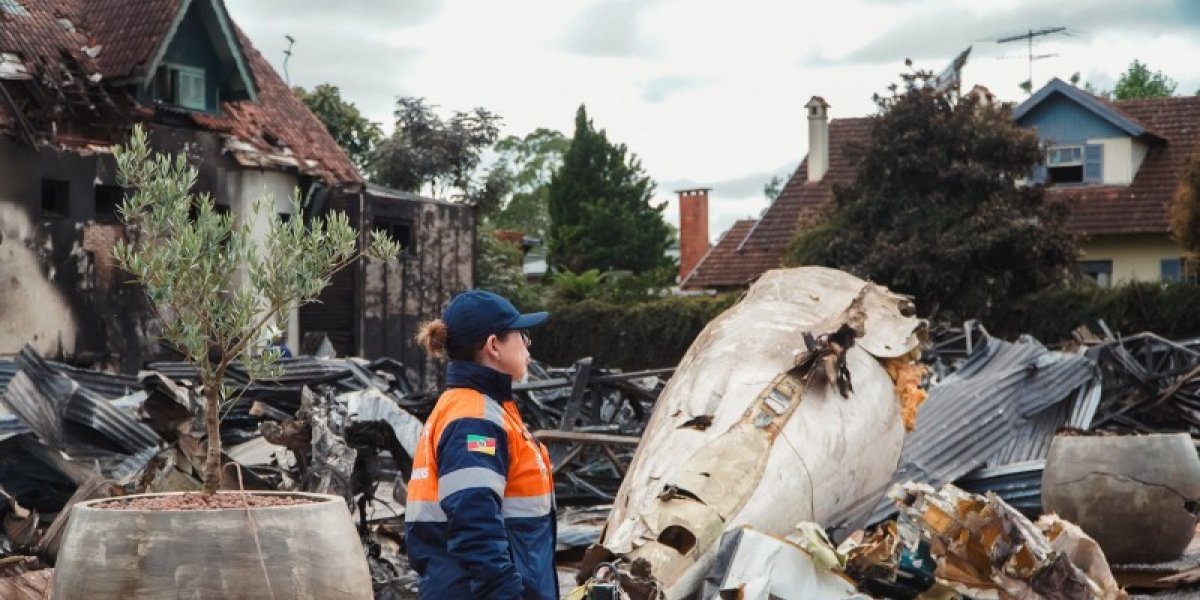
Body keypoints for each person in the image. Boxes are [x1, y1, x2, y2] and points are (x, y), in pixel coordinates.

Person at [405, 290, 557, 599]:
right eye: (521, 335)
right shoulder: (474, 419)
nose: (528, 344)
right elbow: (475, 527)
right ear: (493, 346)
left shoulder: (480, 408)